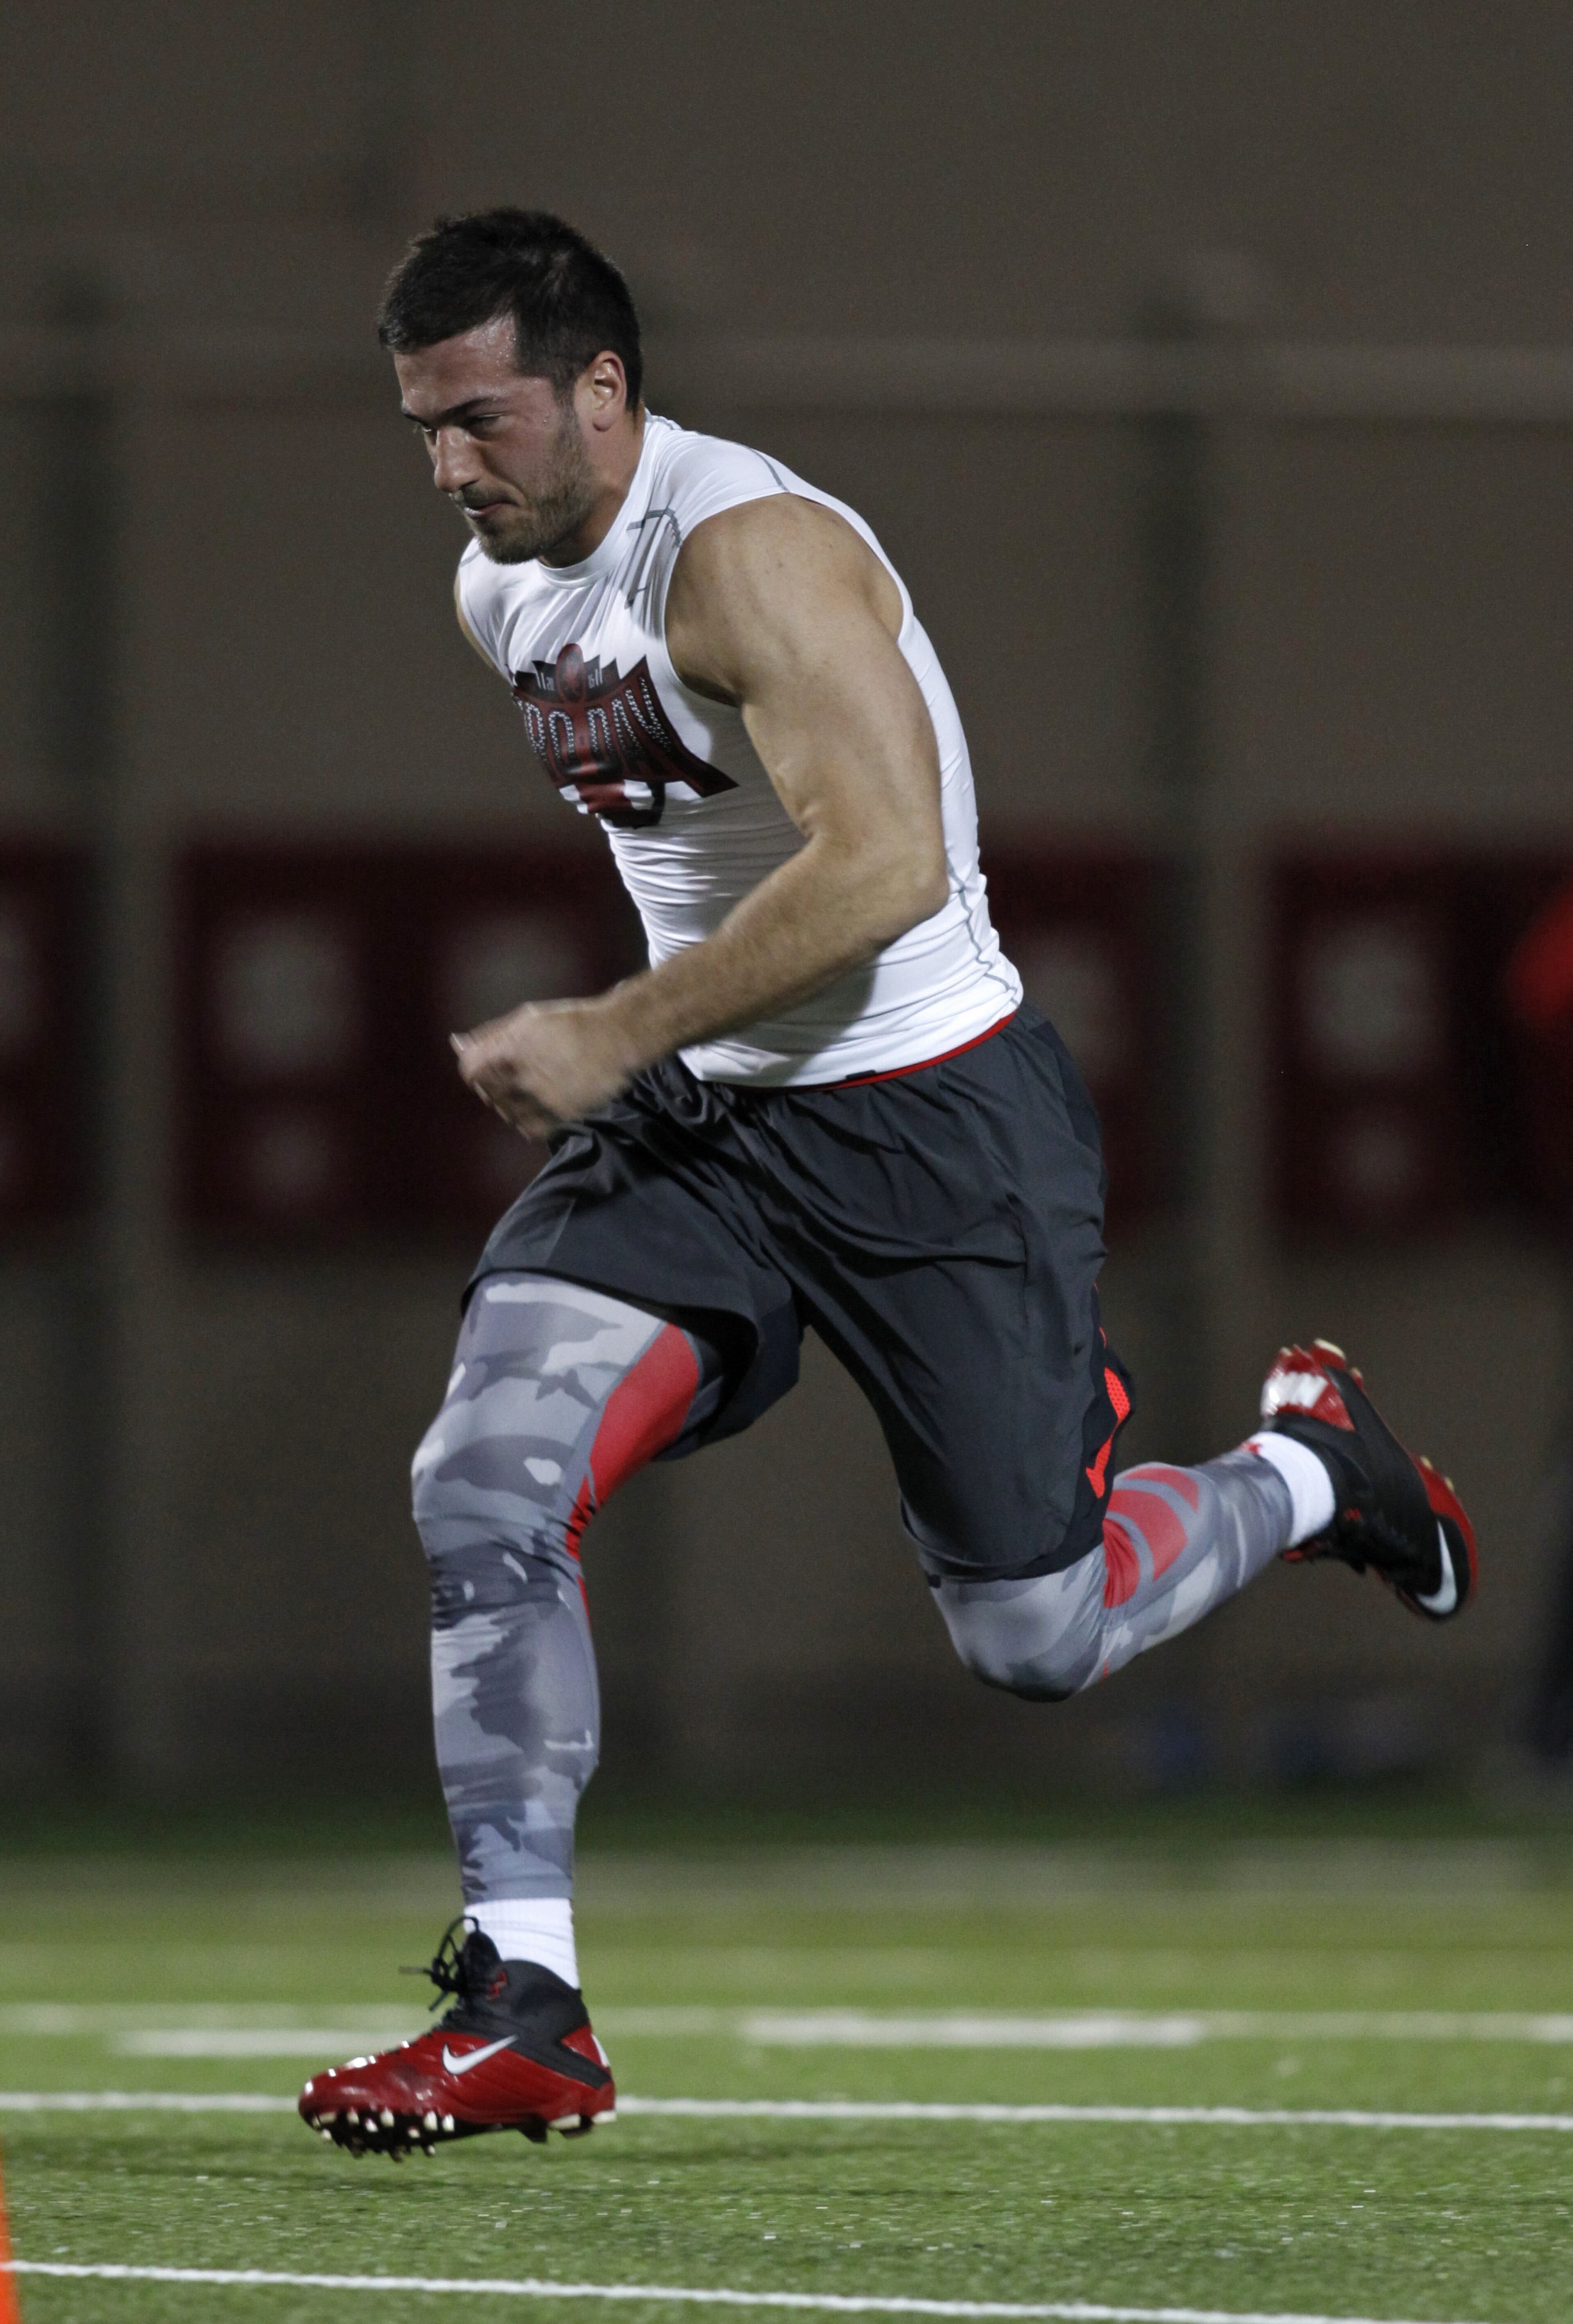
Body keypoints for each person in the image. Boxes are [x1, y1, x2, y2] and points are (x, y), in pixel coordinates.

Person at [299, 210, 1477, 2160]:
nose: (448, 468)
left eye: (481, 421)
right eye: (423, 428)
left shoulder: (752, 553)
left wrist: (616, 1027)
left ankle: (1311, 1472)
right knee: (485, 1478)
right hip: (704, 1132)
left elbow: (887, 867)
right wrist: (657, 1060)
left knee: (1036, 1637)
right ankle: (526, 2002)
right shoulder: (498, 590)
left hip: (933, 1123)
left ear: (606, 387)